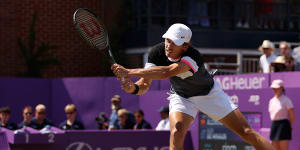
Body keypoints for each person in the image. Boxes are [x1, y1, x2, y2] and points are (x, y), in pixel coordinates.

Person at [111, 23, 274, 150]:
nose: (168, 45)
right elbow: (144, 85)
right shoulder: (157, 52)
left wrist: (128, 71)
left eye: (174, 42)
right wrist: (132, 88)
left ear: (185, 46)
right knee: (176, 132)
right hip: (181, 95)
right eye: (167, 40)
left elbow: (167, 72)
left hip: (209, 94)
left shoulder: (193, 56)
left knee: (247, 133)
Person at [269, 80, 295, 150]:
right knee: (274, 148)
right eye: (273, 88)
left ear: (281, 88)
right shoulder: (271, 101)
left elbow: (292, 115)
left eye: (276, 88)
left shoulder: (286, 100)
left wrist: (289, 125)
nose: (275, 90)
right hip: (274, 125)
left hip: (284, 125)